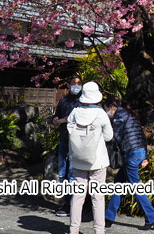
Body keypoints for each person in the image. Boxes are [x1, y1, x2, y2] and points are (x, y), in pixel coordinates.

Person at [104, 96, 154, 230]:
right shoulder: (131, 115)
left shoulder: (119, 117)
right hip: (138, 152)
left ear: (112, 106)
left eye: (106, 108)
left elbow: (114, 137)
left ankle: (152, 218)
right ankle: (108, 218)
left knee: (136, 187)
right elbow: (141, 136)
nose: (107, 111)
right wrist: (144, 156)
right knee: (118, 184)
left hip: (130, 154)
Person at [67, 81, 114, 234]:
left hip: (78, 160)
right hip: (97, 161)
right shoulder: (100, 114)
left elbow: (69, 131)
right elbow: (108, 137)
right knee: (98, 197)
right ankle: (99, 231)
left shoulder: (74, 112)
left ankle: (73, 230)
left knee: (78, 196)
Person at [53, 75, 84, 216]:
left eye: (79, 83)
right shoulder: (63, 101)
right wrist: (55, 120)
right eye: (74, 83)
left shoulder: (84, 101)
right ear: (69, 85)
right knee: (62, 172)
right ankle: (65, 203)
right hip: (64, 138)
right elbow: (56, 117)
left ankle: (73, 206)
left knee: (73, 173)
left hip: (77, 141)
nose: (76, 86)